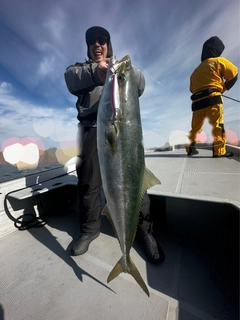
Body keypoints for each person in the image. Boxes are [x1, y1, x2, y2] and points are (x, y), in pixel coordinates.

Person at [64, 26, 165, 263]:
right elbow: (70, 79)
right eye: (92, 41)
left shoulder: (120, 69)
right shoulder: (80, 69)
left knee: (135, 180)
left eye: (102, 40)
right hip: (91, 130)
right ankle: (89, 230)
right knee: (89, 181)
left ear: (109, 45)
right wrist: (95, 73)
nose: (97, 44)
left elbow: (140, 84)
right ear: (88, 47)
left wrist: (121, 71)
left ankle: (144, 232)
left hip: (123, 132)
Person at [186, 36, 238, 157]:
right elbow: (234, 74)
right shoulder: (218, 61)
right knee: (217, 125)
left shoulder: (195, 71)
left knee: (195, 128)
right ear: (217, 50)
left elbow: (191, 89)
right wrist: (223, 88)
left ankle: (190, 149)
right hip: (212, 99)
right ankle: (219, 151)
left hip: (196, 102)